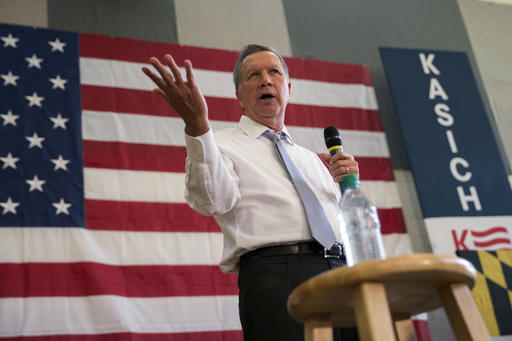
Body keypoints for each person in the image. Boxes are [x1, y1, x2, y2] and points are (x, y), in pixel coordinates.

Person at [142, 44, 359, 341]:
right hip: (277, 276)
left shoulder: (313, 159)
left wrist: (350, 187)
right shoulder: (218, 145)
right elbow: (211, 200)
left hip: (340, 272)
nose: (265, 80)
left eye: (274, 72)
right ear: (239, 97)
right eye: (253, 75)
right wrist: (197, 125)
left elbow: (344, 225)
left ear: (288, 88)